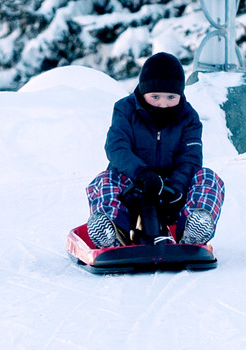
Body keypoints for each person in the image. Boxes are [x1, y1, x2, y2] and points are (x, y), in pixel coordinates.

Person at [85, 52, 225, 247]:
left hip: (172, 192)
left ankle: (192, 230)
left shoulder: (189, 117)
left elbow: (190, 158)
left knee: (209, 178)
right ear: (143, 92)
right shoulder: (125, 110)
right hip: (133, 185)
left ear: (180, 94)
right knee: (104, 180)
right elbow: (117, 147)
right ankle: (112, 229)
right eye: (155, 96)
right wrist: (142, 173)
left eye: (171, 97)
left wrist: (176, 186)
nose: (163, 103)